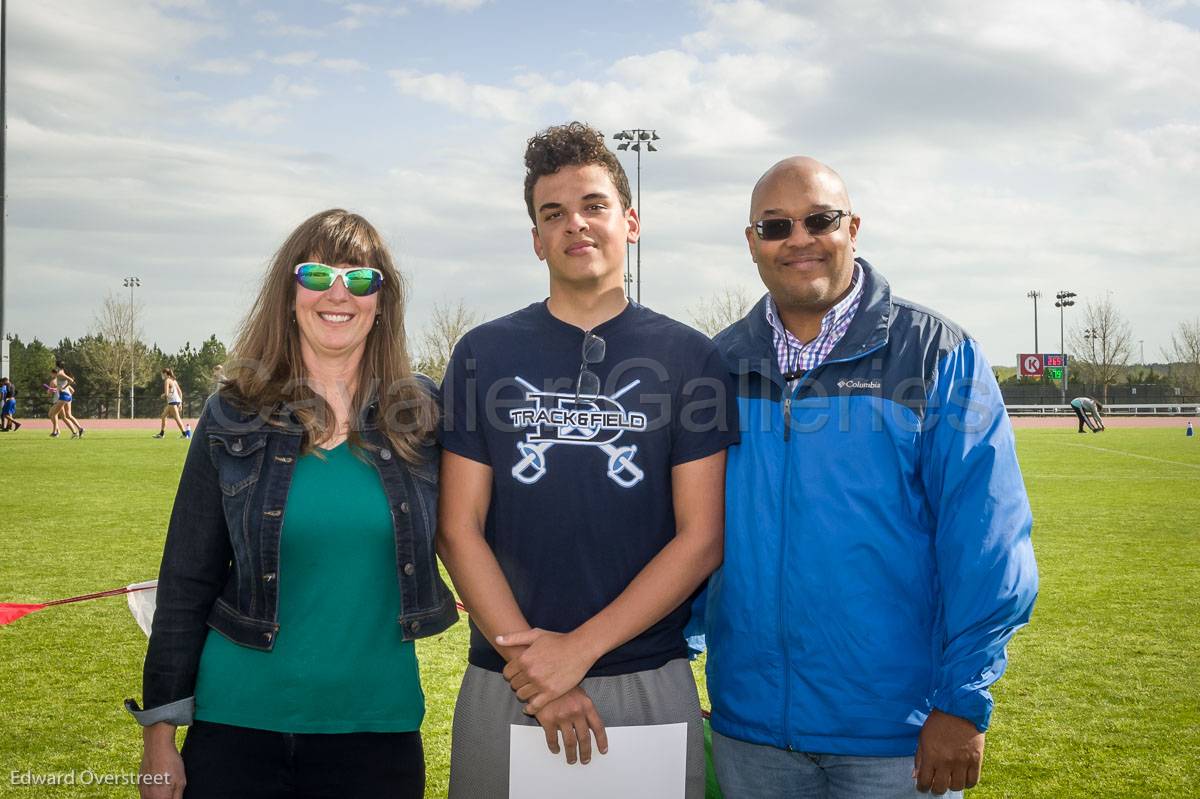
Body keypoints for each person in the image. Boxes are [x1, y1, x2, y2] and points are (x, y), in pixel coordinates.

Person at [704, 157, 1038, 798]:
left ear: (852, 227)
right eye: (775, 226)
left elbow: (988, 544)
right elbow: (692, 531)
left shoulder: (939, 352)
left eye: (819, 219)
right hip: (750, 733)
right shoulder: (715, 364)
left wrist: (962, 700)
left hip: (899, 735)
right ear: (751, 243)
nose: (798, 239)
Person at [437, 122, 738, 798]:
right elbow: (458, 527)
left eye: (594, 205)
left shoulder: (692, 357)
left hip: (645, 679)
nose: (576, 224)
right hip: (506, 675)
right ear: (537, 238)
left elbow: (702, 537)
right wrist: (533, 664)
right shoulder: (483, 352)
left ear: (631, 221)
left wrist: (576, 650)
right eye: (553, 213)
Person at [126, 209, 458, 799]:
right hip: (237, 726)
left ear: (382, 301)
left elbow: (483, 532)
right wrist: (159, 734)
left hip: (377, 727)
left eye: (360, 278)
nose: (338, 293)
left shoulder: (424, 414)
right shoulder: (232, 412)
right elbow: (186, 576)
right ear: (289, 293)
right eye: (316, 274)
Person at [49, 365, 84, 438]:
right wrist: (68, 399)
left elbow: (50, 392)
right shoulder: (63, 381)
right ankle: (79, 429)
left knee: (54, 415)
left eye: (51, 373)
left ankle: (56, 432)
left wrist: (54, 390)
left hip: (60, 400)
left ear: (54, 373)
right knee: (66, 416)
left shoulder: (54, 381)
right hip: (66, 398)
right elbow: (72, 391)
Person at [153, 368, 188, 439]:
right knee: (163, 416)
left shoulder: (167, 381)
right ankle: (162, 434)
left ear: (165, 373)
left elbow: (166, 394)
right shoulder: (174, 381)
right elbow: (180, 392)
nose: (162, 375)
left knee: (177, 418)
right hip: (175, 402)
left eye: (162, 374)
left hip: (173, 402)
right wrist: (180, 403)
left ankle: (185, 434)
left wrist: (162, 395)